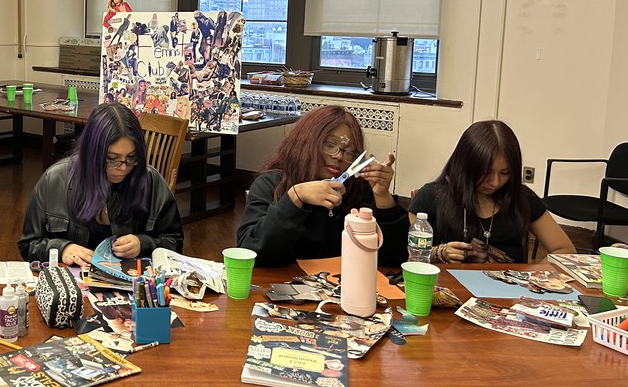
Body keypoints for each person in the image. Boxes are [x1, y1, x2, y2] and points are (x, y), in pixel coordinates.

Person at [236, 105, 408, 267]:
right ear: (305, 142)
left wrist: (382, 196)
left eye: (349, 152)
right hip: (282, 283)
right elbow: (250, 254)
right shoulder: (272, 184)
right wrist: (294, 198)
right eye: (329, 145)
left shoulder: (358, 189)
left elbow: (394, 258)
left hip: (345, 283)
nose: (339, 156)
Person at [19, 102, 183, 267]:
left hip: (132, 280)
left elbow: (174, 242)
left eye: (131, 157)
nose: (123, 168)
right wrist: (62, 249)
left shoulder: (151, 181)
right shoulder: (55, 180)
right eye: (112, 159)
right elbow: (28, 246)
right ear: (92, 153)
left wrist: (143, 244)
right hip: (73, 279)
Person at [408, 120, 575, 263]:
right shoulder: (432, 196)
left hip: (511, 289)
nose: (495, 182)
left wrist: (533, 279)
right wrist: (438, 253)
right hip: (448, 288)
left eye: (505, 173)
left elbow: (564, 250)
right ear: (465, 165)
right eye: (485, 172)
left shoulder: (522, 198)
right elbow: (408, 256)